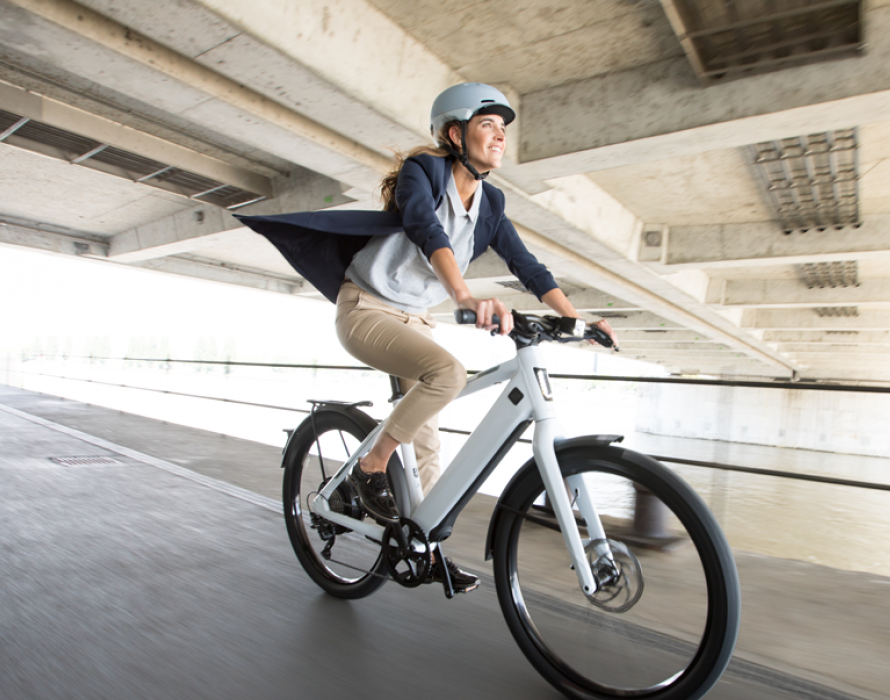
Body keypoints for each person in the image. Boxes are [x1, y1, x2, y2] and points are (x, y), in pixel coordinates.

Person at [237, 83, 617, 592]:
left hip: (414, 320)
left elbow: (527, 266)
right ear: (455, 133)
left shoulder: (491, 202)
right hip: (367, 308)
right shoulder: (426, 172)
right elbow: (423, 227)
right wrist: (461, 295)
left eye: (504, 129)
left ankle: (425, 547)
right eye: (489, 125)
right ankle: (370, 467)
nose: (500, 136)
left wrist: (580, 320)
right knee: (448, 374)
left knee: (428, 446)